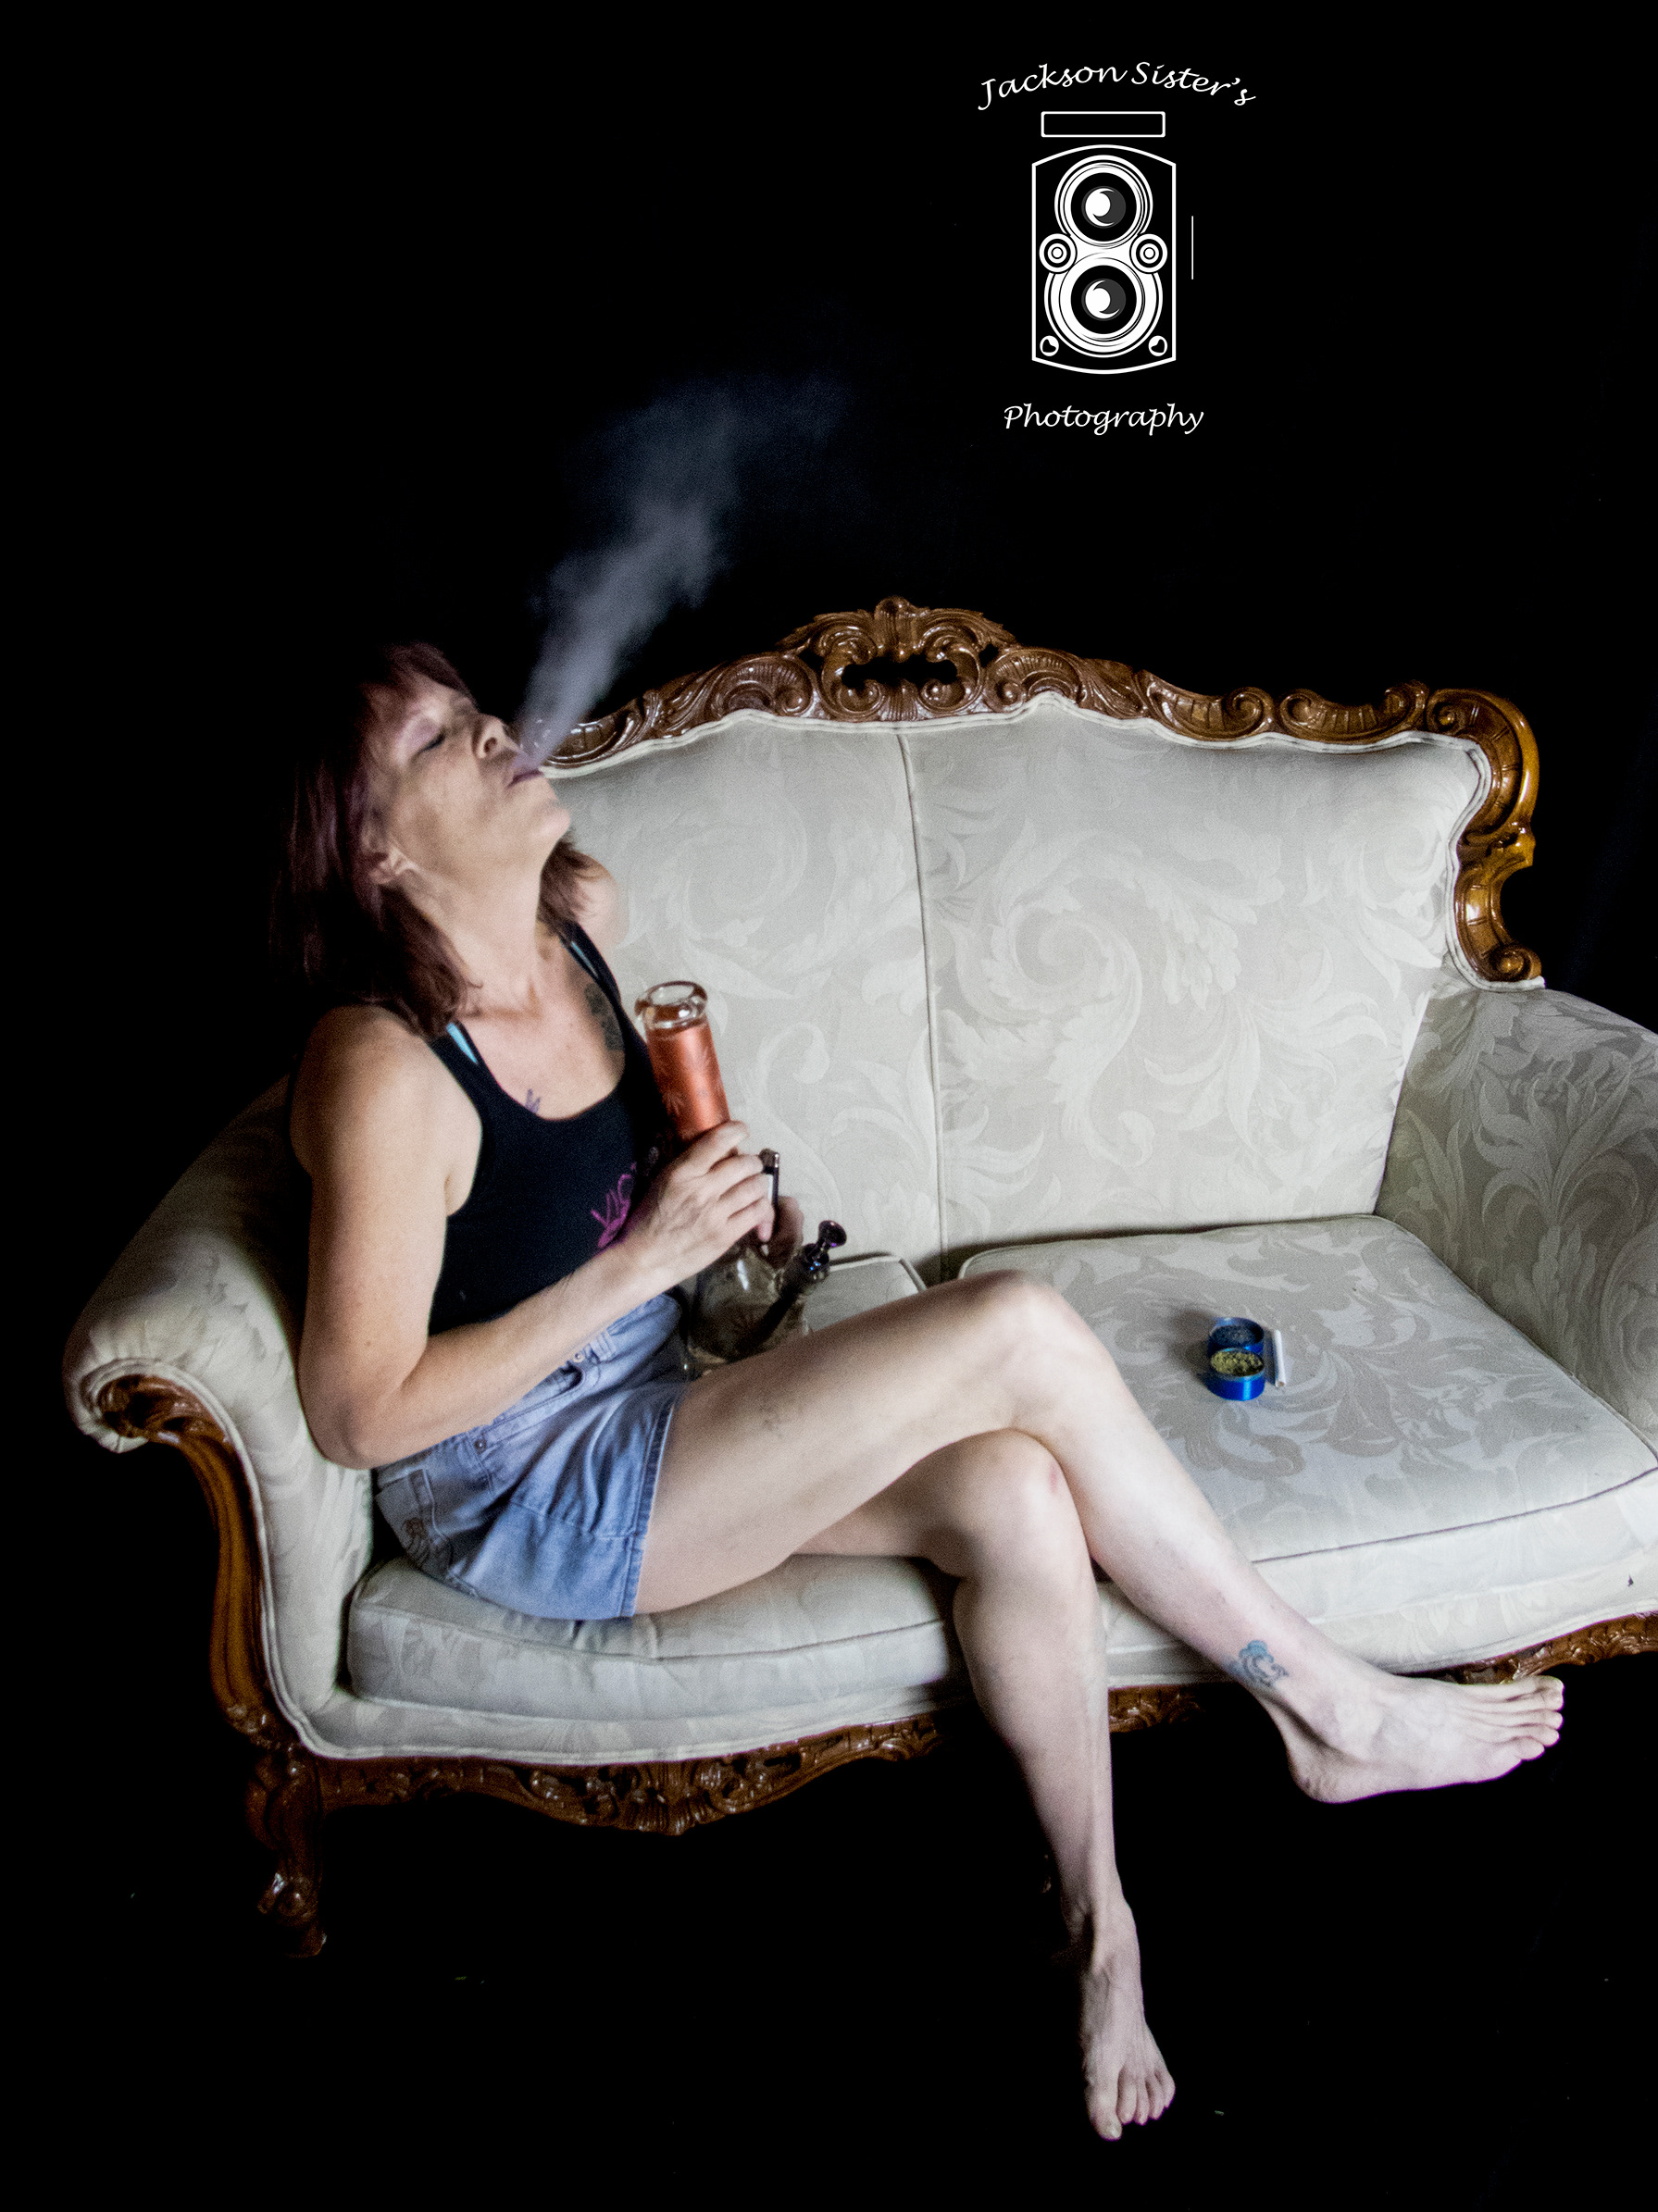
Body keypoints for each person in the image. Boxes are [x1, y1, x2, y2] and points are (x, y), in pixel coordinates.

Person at [281, 642, 1564, 2144]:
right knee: (1015, 1326)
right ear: (373, 847)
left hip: (653, 1388)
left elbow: (585, 1208)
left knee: (1017, 1487)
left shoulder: (580, 926)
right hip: (524, 1483)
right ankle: (1324, 1699)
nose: (499, 729)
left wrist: (726, 1213)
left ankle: (1101, 1927)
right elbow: (360, 1415)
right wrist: (642, 1266)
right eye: (440, 739)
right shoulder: (382, 1073)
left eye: (477, 707)